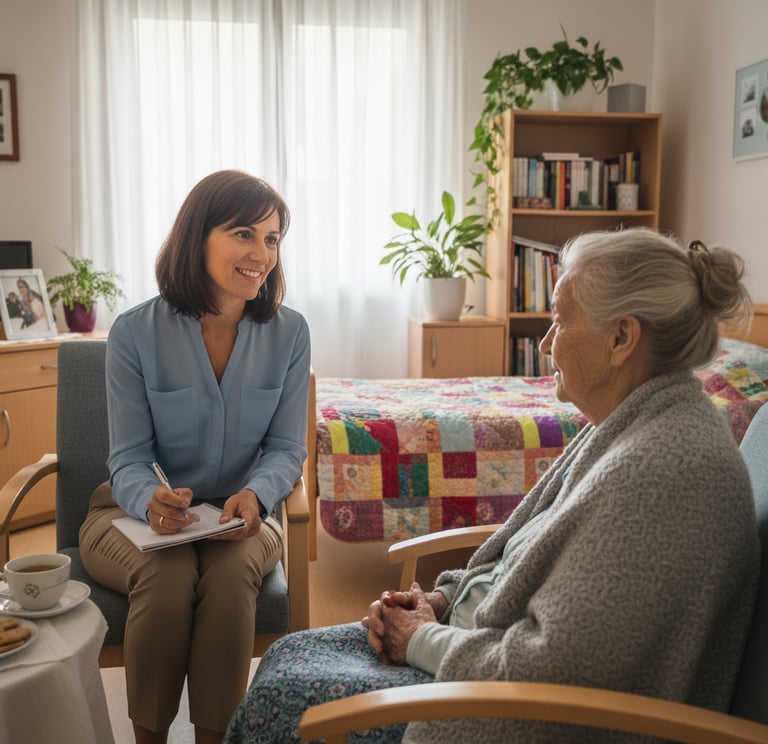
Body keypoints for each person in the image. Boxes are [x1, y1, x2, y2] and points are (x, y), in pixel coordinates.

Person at [225, 227, 759, 744]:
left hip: (505, 708)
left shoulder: (664, 472)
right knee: (286, 656)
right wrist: (440, 598)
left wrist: (420, 638)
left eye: (559, 320)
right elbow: (528, 556)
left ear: (621, 338)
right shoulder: (629, 424)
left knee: (284, 700)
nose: (546, 342)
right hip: (476, 653)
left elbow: (553, 674)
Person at [79, 170, 311, 744]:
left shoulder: (291, 333)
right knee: (167, 568)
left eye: (273, 239)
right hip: (128, 514)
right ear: (196, 237)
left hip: (244, 514)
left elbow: (286, 448)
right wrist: (147, 499)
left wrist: (257, 494)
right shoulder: (134, 334)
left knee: (232, 575)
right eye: (244, 234)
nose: (262, 254)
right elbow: (128, 457)